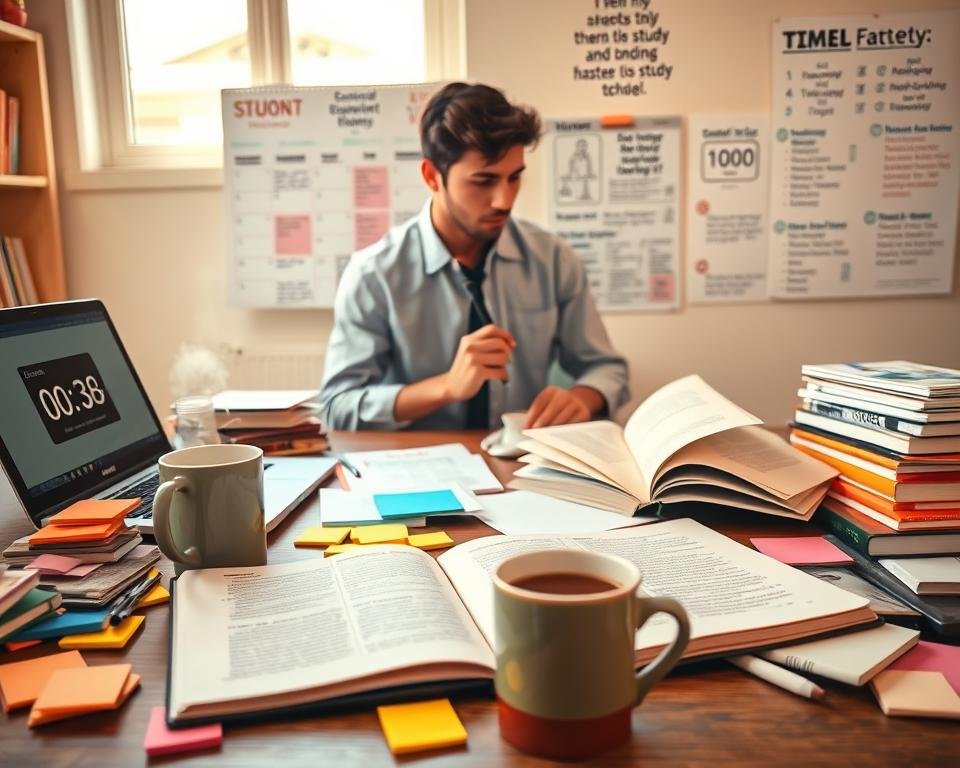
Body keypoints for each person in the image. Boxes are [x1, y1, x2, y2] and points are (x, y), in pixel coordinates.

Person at [319, 82, 629, 431]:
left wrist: (581, 398)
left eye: (514, 178)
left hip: (521, 466)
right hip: (417, 466)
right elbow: (336, 406)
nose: (504, 200)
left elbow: (607, 368)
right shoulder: (373, 275)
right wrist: (446, 387)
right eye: (483, 181)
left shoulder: (553, 259)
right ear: (432, 177)